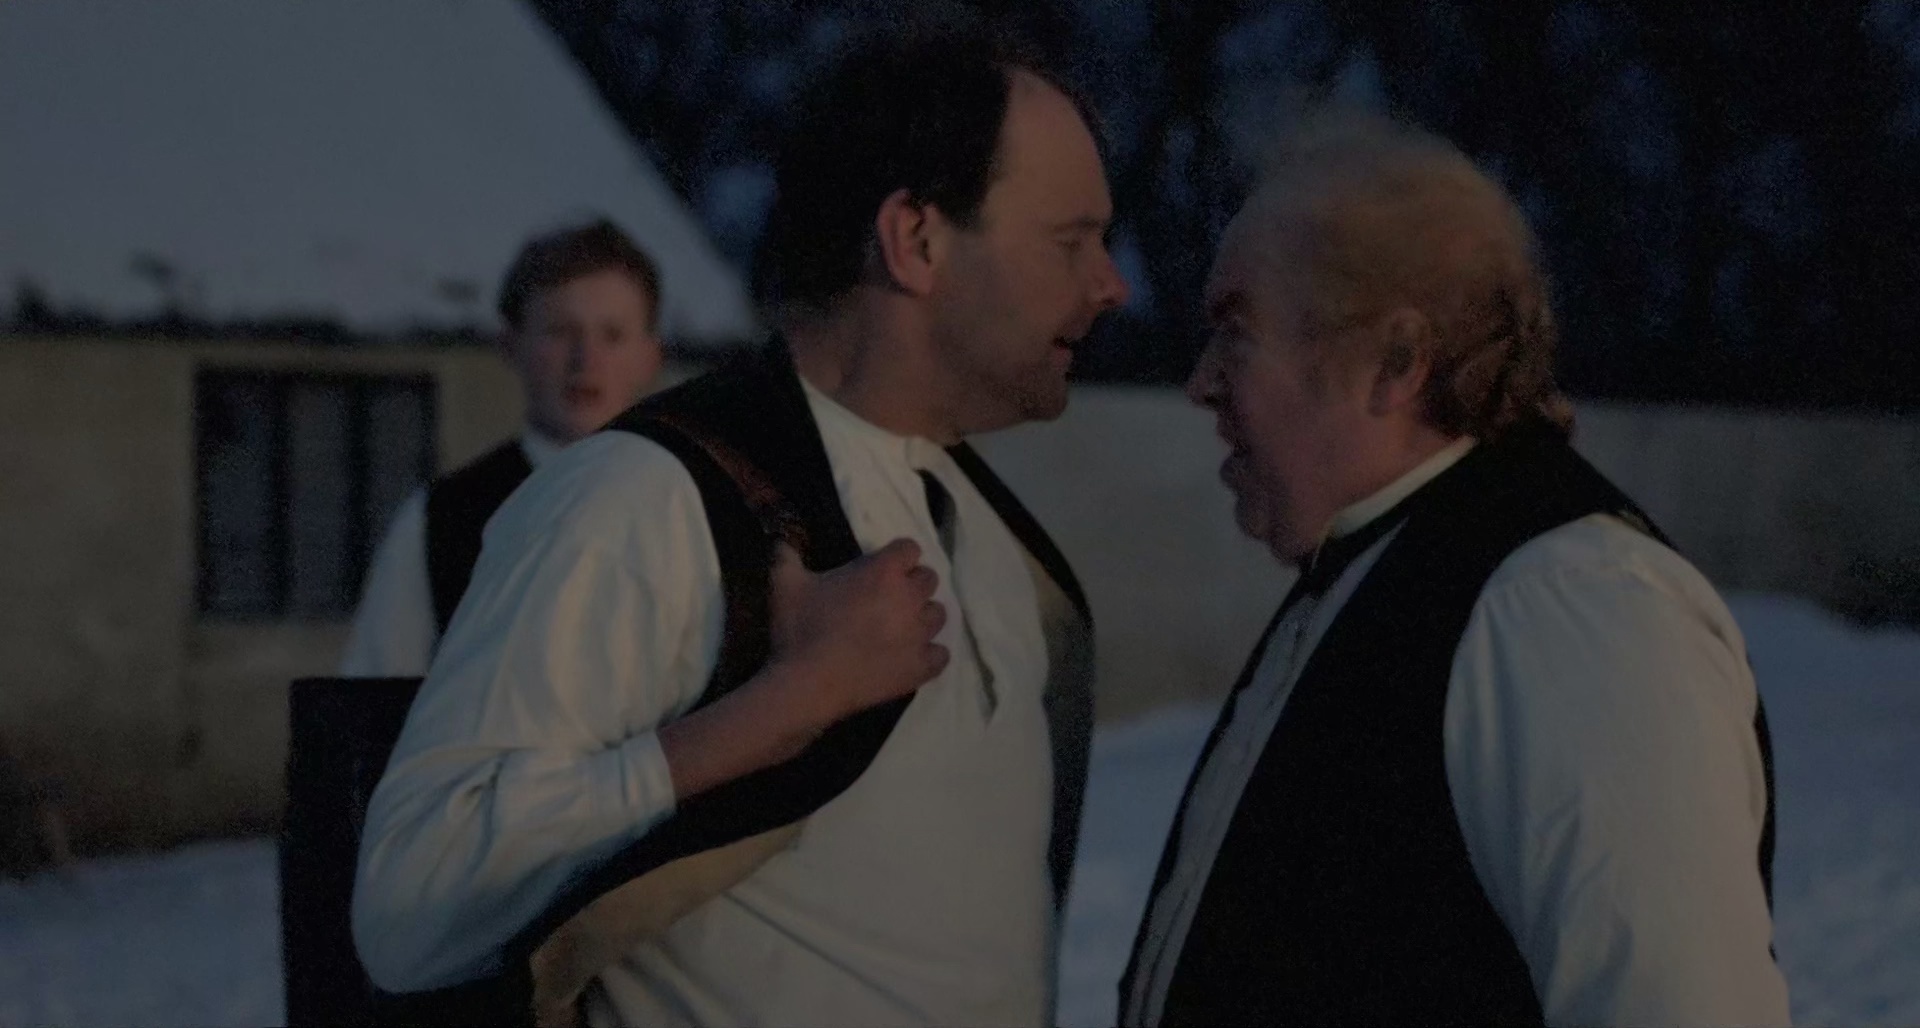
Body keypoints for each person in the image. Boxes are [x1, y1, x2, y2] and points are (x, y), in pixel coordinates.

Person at [351, 23, 1128, 1027]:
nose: (1112, 284)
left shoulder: (994, 528)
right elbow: (409, 907)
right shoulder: (639, 499)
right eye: (1071, 241)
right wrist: (775, 711)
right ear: (916, 240)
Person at [1119, 117, 1790, 1027]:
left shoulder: (1564, 603)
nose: (1201, 383)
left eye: (1235, 332)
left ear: (1394, 362)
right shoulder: (1385, 569)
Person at [337, 218, 665, 676]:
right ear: (511, 345)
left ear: (650, 356)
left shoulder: (689, 511)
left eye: (612, 335)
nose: (585, 360)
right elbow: (377, 688)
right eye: (560, 332)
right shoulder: (443, 521)